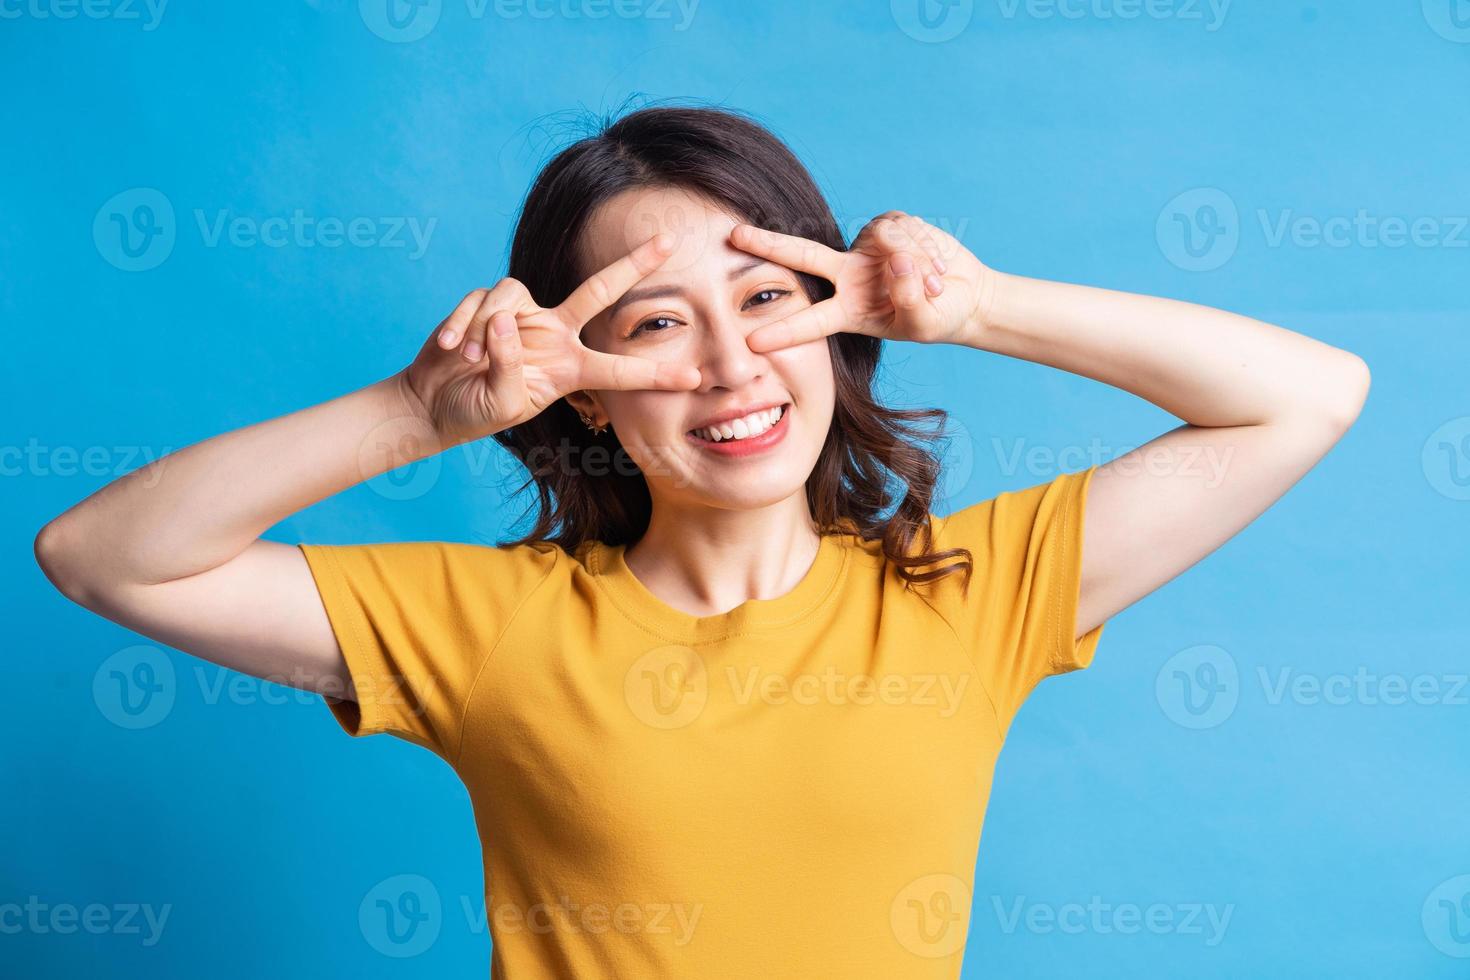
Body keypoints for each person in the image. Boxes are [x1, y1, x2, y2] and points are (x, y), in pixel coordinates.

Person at [33, 104, 1370, 978]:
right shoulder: (485, 626)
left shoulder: (964, 598)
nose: (731, 366)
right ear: (584, 391)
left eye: (767, 300)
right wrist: (411, 410)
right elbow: (104, 553)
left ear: (838, 335)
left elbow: (1305, 397)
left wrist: (980, 308)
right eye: (655, 324)